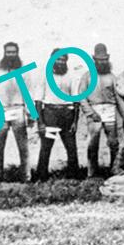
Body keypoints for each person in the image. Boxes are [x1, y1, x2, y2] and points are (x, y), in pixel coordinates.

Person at [78, 43, 124, 177]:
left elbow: (118, 98)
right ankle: (92, 172)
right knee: (93, 144)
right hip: (94, 112)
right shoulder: (87, 77)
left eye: (104, 60)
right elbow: (81, 97)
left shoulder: (112, 77)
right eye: (99, 60)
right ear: (94, 60)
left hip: (110, 112)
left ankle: (114, 169)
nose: (102, 63)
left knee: (113, 143)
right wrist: (91, 113)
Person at [34, 48, 80, 181]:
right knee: (46, 146)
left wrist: (75, 122)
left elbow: (76, 100)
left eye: (63, 59)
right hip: (50, 114)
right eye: (57, 59)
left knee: (71, 147)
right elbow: (38, 100)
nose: (60, 62)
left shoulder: (72, 76)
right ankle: (41, 176)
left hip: (67, 114)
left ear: (66, 61)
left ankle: (74, 176)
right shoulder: (44, 76)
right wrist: (41, 122)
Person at [0, 41, 32, 182]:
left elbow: (28, 94)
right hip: (2, 111)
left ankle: (26, 176)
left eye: (13, 52)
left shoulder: (24, 70)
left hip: (18, 109)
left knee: (23, 146)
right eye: (8, 52)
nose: (11, 55)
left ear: (17, 53)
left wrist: (30, 114)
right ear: (4, 53)